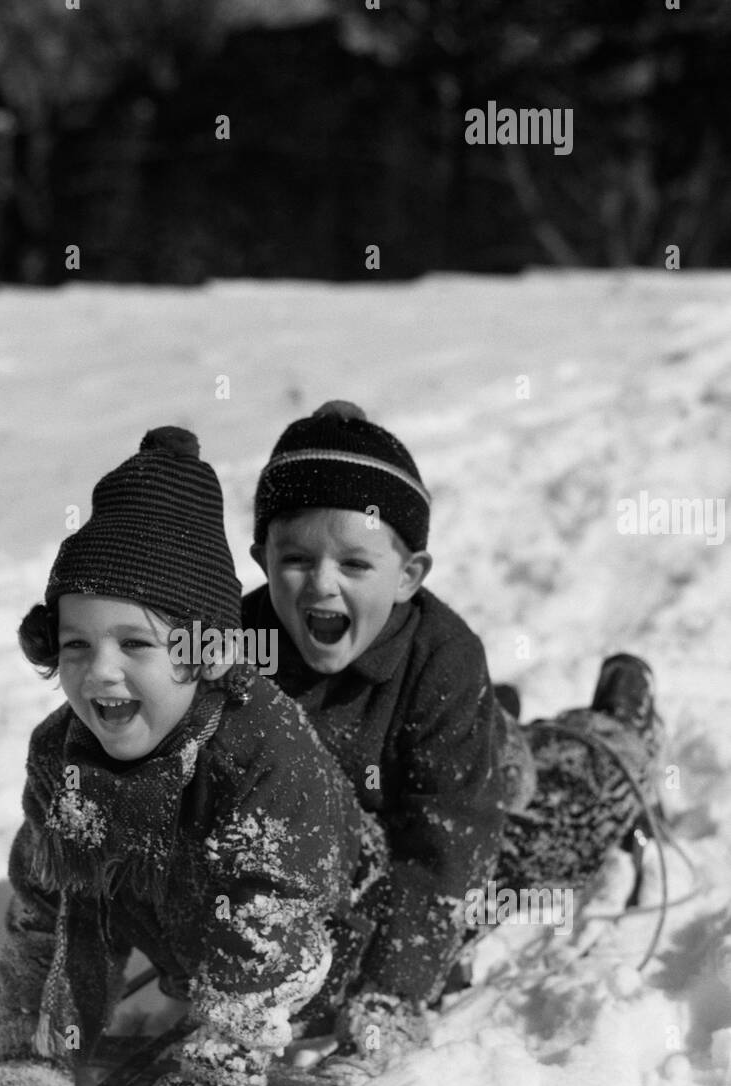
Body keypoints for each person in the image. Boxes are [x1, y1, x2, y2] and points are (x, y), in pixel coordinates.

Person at [0, 425, 387, 1086]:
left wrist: (207, 1083)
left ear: (205, 652)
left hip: (337, 935)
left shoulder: (262, 752)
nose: (100, 675)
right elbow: (52, 907)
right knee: (85, 879)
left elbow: (272, 932)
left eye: (136, 645)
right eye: (74, 645)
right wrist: (34, 1050)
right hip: (193, 934)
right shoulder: (60, 753)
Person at [243, 402, 663, 1040]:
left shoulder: (445, 656)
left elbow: (451, 847)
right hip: (359, 832)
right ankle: (502, 718)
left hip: (464, 803)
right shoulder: (240, 644)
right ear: (261, 558)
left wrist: (394, 990)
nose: (320, 585)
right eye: (295, 560)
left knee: (563, 817)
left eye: (355, 565)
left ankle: (621, 715)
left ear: (409, 576)